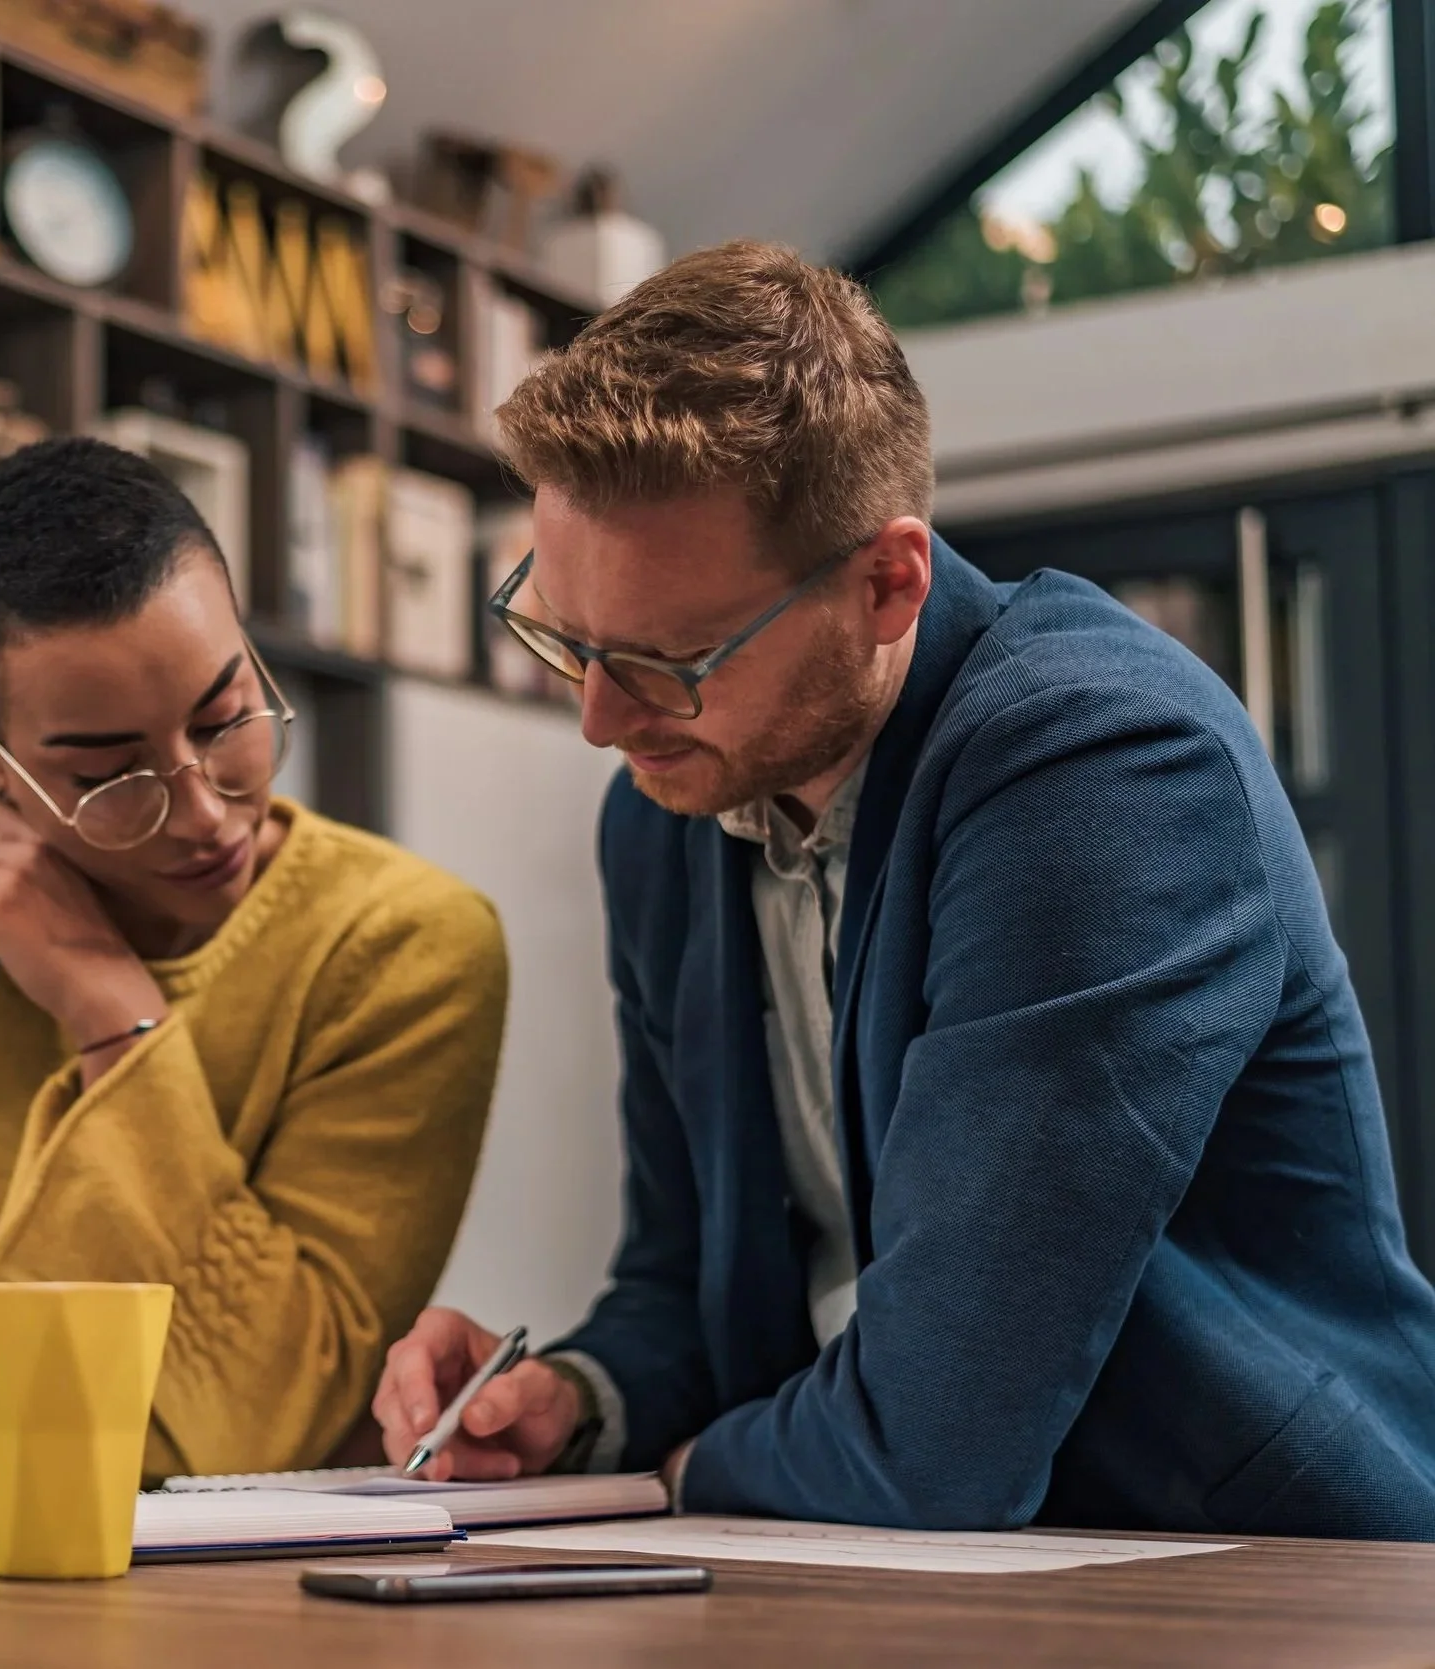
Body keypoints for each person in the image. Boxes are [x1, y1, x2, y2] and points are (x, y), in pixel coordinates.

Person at [373, 240, 1435, 1539]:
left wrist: (674, 1474)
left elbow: (944, 1433)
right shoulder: (665, 811)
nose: (598, 720)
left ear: (890, 582)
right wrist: (574, 1402)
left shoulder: (1102, 765)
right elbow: (691, 1282)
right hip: (885, 1559)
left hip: (1254, 1573)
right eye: (562, 636)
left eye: (666, 659)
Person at [0, 437, 507, 1490]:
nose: (203, 811)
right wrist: (183, 1449)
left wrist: (113, 1018)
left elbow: (271, 1431)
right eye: (108, 772)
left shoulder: (405, 943)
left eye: (226, 716)